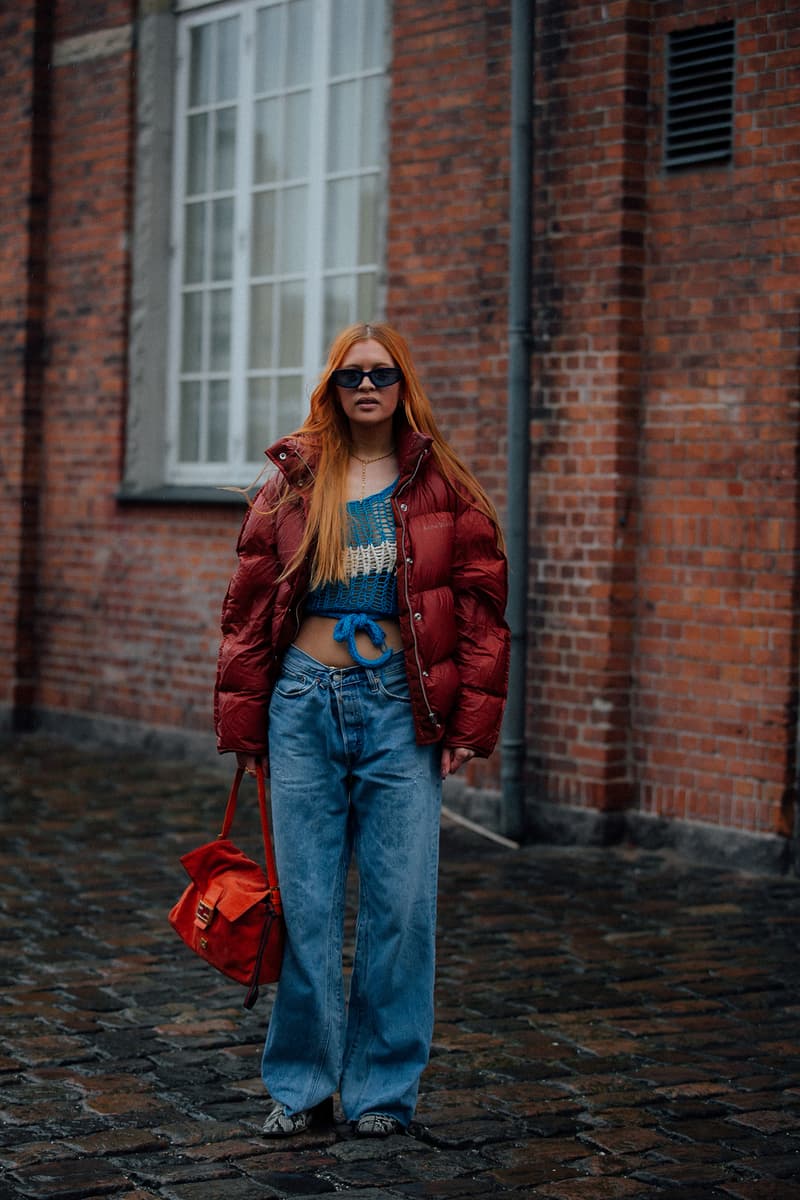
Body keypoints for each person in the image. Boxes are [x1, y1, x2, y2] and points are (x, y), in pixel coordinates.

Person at [214, 321, 509, 1138]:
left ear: (402, 384)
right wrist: (244, 721)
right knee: (304, 906)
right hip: (304, 705)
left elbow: (484, 613)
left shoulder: (442, 485)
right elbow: (246, 611)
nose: (367, 387)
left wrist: (469, 723)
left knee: (401, 906)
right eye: (351, 377)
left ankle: (382, 1091)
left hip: (400, 709)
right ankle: (303, 1087)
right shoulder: (294, 481)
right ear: (332, 389)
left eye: (381, 374)